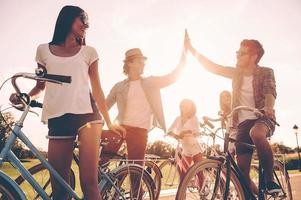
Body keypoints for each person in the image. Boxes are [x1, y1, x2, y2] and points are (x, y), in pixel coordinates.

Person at [10, 5, 124, 200]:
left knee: (89, 183)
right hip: (58, 117)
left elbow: (97, 90)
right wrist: (25, 97)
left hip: (88, 116)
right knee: (60, 188)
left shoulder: (89, 52)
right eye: (82, 19)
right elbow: (40, 86)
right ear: (67, 19)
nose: (86, 25)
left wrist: (109, 121)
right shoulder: (43, 50)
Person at [185, 33, 281, 194]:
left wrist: (269, 107)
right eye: (237, 52)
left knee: (256, 133)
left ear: (253, 56)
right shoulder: (236, 73)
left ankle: (270, 180)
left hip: (263, 118)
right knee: (241, 175)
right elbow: (213, 67)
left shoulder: (266, 72)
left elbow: (270, 91)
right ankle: (255, 196)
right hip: (242, 124)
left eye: (241, 53)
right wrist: (191, 49)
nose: (237, 55)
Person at [105, 32, 188, 168]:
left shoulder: (151, 82)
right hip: (120, 129)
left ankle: (136, 188)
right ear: (130, 63)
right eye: (140, 60)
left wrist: (185, 52)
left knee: (135, 172)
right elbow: (104, 106)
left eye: (144, 61)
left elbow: (174, 76)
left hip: (139, 131)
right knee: (101, 162)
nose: (144, 63)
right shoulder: (119, 87)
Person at [167, 99, 203, 182]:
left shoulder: (194, 118)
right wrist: (176, 135)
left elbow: (197, 132)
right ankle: (181, 194)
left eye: (187, 106)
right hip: (185, 148)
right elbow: (169, 130)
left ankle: (203, 193)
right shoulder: (178, 118)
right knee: (183, 175)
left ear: (191, 107)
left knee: (199, 172)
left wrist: (188, 132)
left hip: (195, 147)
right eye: (182, 106)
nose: (184, 107)